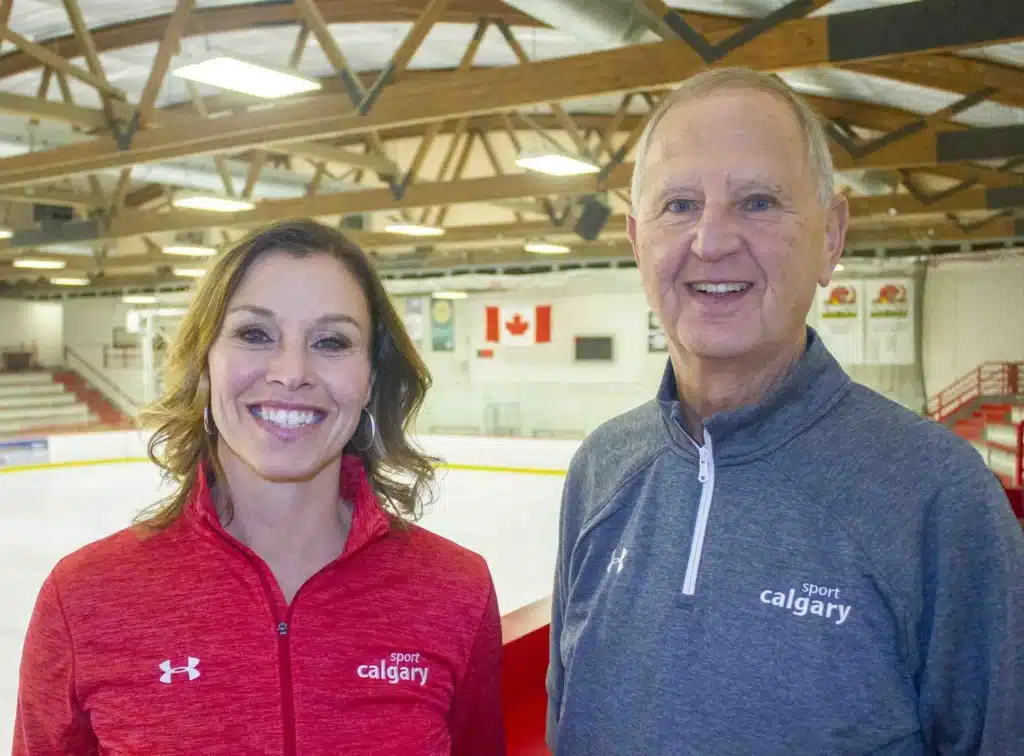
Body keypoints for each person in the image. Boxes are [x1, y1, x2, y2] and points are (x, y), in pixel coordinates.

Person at [546, 67, 1024, 755]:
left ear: (832, 236)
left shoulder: (937, 497)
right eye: (678, 205)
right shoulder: (600, 469)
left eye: (760, 202)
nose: (711, 241)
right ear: (635, 240)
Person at [14, 219, 507, 755]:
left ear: (371, 378)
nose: (291, 372)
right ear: (205, 363)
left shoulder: (455, 591)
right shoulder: (83, 599)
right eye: (255, 334)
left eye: (331, 341)